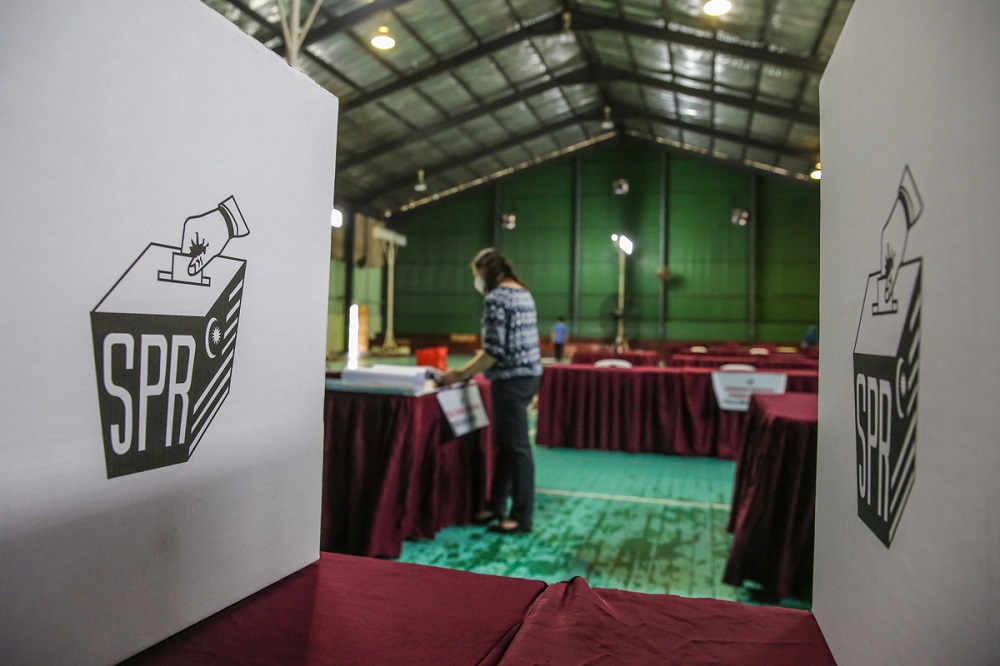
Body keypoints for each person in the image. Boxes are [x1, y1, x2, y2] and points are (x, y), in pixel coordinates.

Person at [441, 248, 542, 534]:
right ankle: (496, 505)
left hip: (510, 380)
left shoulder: (497, 297)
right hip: (529, 376)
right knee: (507, 446)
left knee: (517, 449)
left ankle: (521, 517)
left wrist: (460, 374)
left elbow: (494, 351)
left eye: (477, 276)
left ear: (487, 273)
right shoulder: (523, 292)